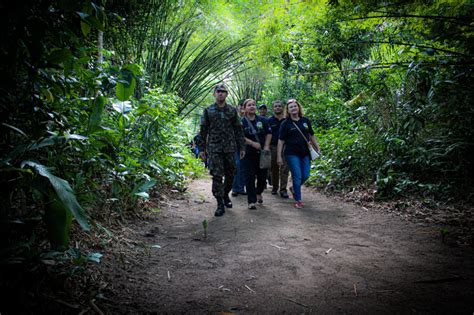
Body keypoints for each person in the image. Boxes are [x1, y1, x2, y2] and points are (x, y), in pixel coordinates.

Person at [197, 83, 246, 216]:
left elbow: (238, 129)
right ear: (214, 94)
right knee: (217, 175)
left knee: (231, 174)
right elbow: (203, 131)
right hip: (214, 148)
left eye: (223, 91)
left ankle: (225, 195)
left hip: (230, 148)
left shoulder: (232, 110)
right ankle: (219, 203)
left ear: (226, 94)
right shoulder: (208, 110)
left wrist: (242, 147)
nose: (220, 93)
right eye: (218, 91)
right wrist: (201, 149)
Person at [277, 99, 320, 209]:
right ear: (288, 110)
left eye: (295, 106)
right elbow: (281, 141)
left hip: (305, 152)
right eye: (291, 107)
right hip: (291, 153)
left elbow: (311, 135)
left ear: (298, 107)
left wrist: (317, 148)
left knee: (305, 175)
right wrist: (279, 156)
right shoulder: (285, 123)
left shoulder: (305, 121)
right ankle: (298, 200)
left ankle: (294, 189)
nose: (293, 108)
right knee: (297, 175)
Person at [241, 99, 272, 209]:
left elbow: (269, 133)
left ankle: (259, 192)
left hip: (262, 153)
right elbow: (239, 136)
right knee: (249, 177)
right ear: (245, 108)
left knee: (262, 176)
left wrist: (267, 146)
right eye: (249, 105)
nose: (252, 107)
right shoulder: (241, 121)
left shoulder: (262, 120)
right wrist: (252, 143)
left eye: (253, 105)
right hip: (247, 153)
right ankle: (251, 201)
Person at [267, 100, 289, 198]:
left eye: (279, 106)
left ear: (282, 108)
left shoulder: (287, 120)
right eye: (275, 106)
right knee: (274, 168)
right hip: (273, 147)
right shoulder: (269, 121)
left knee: (284, 168)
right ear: (273, 108)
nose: (277, 108)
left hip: (285, 147)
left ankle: (283, 189)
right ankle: (275, 187)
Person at [232, 101, 247, 196]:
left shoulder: (249, 117)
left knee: (244, 167)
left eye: (243, 106)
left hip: (247, 146)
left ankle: (241, 187)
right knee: (236, 165)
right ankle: (235, 188)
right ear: (237, 107)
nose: (242, 107)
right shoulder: (233, 117)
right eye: (240, 105)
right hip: (234, 146)